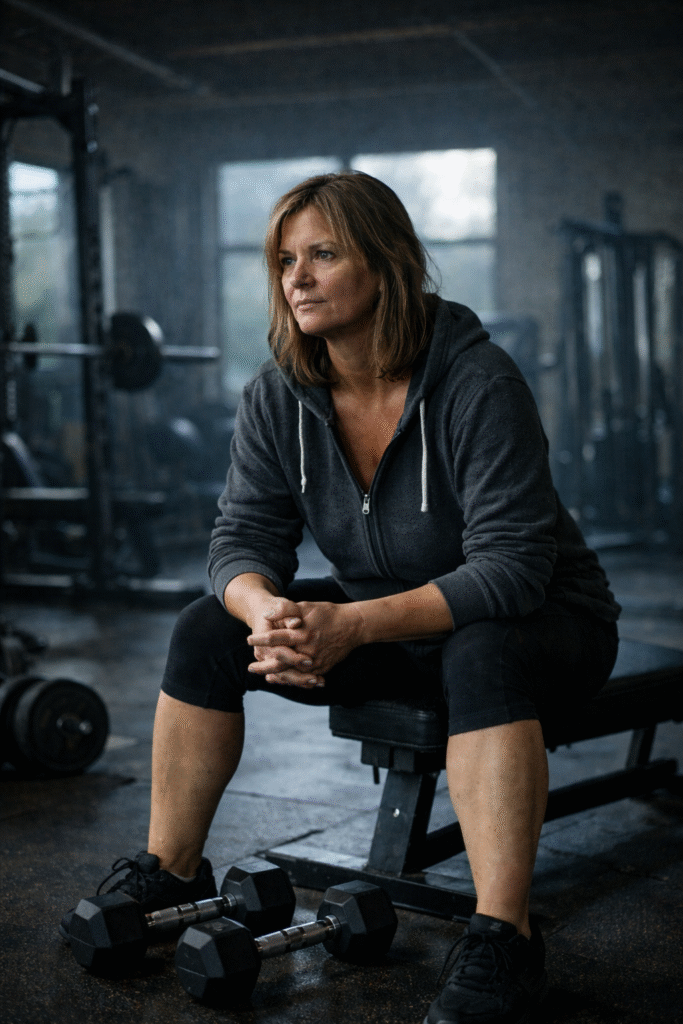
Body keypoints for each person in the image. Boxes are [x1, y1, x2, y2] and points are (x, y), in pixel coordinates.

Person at [61, 171, 620, 1024]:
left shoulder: (477, 383)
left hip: (547, 624)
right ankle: (170, 869)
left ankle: (504, 934)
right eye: (286, 259)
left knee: (482, 646)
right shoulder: (278, 394)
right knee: (205, 630)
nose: (298, 277)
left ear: (388, 262)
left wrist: (350, 625)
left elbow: (510, 568)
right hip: (392, 622)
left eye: (324, 253)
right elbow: (241, 541)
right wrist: (265, 612)